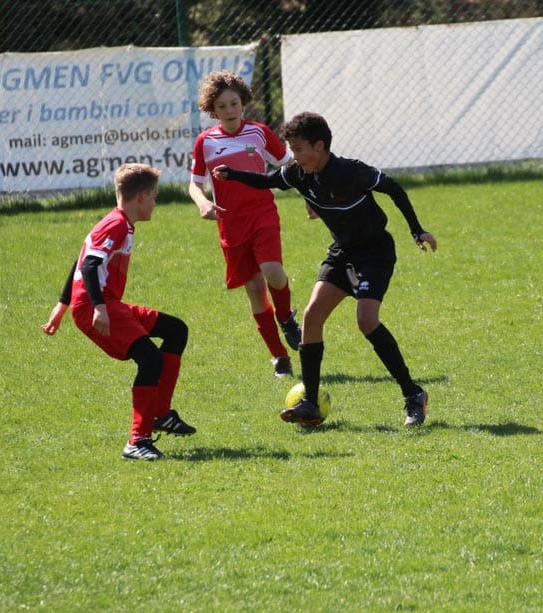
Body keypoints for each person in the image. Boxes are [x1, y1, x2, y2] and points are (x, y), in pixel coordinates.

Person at [212, 111, 438, 427]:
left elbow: (393, 188)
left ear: (319, 146)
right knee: (312, 316)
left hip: (374, 254)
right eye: (291, 149)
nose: (293, 156)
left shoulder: (351, 171)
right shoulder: (298, 174)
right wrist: (232, 174)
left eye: (299, 149)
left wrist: (417, 230)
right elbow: (267, 181)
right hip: (342, 253)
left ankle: (413, 394)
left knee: (366, 321)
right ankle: (310, 404)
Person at [41, 163, 196, 461]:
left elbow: (82, 258)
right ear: (141, 196)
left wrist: (61, 306)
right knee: (150, 359)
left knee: (176, 330)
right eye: (154, 197)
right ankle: (138, 440)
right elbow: (89, 266)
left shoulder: (119, 222)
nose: (155, 203)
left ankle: (160, 413)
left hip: (106, 303)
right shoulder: (116, 224)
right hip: (96, 306)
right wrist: (98, 308)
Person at [188, 70, 301, 378]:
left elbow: (289, 165)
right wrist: (203, 203)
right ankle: (279, 356)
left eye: (234, 103)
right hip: (230, 223)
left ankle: (286, 317)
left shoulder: (259, 133)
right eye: (222, 106)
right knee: (254, 289)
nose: (229, 110)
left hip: (262, 213)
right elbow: (194, 184)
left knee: (272, 271)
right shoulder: (205, 142)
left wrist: (311, 197)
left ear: (243, 102)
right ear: (212, 109)